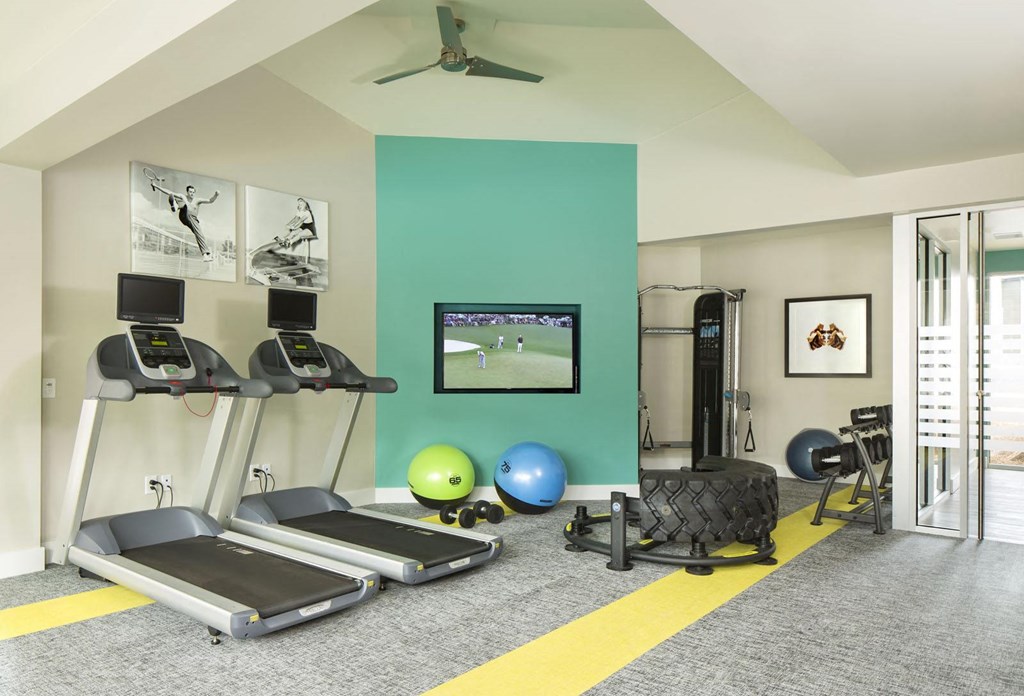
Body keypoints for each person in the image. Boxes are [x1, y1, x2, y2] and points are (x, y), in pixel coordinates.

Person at [150, 182, 220, 261]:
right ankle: (175, 206)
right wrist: (156, 186)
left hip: (193, 219)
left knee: (199, 234)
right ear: (187, 192)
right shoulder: (184, 196)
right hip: (183, 216)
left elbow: (210, 200)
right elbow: (168, 192)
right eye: (190, 192)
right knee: (184, 201)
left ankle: (205, 255)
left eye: (193, 192)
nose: (192, 193)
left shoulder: (197, 200)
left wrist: (216, 195)